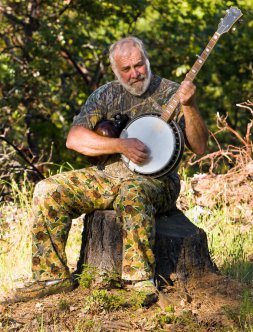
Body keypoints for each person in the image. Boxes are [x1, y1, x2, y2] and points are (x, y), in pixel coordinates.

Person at [7, 36, 208, 305]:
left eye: (139, 65)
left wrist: (189, 105)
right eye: (126, 69)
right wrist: (120, 144)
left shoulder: (172, 92)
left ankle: (139, 282)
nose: (135, 74)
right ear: (116, 70)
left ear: (147, 60)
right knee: (48, 189)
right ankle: (51, 277)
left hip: (156, 183)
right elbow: (74, 138)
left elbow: (200, 146)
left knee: (132, 191)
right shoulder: (106, 94)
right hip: (106, 177)